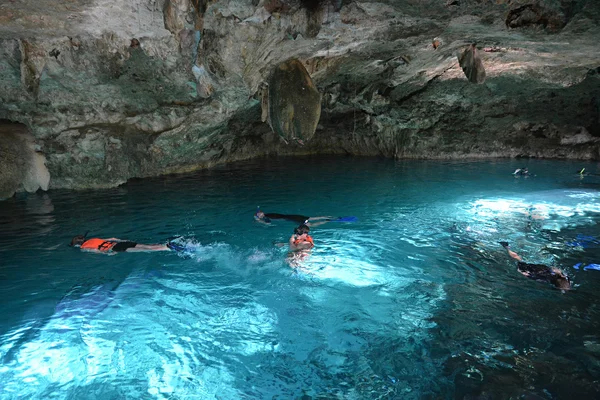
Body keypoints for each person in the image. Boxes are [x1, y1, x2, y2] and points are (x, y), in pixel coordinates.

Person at [499, 241, 571, 290]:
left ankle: (512, 246)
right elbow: (527, 274)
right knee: (517, 258)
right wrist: (520, 272)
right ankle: (507, 247)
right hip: (532, 269)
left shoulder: (564, 276)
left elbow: (556, 269)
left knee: (520, 258)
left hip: (541, 266)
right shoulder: (545, 280)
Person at [70, 234, 173, 253]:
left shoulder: (83, 248)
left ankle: (165, 248)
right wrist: (122, 240)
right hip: (120, 242)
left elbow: (96, 250)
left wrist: (109, 253)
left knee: (143, 250)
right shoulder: (94, 239)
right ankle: (165, 245)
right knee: (146, 246)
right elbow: (112, 238)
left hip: (116, 248)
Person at [254, 209, 332, 227]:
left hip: (293, 219)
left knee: (310, 225)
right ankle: (326, 217)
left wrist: (259, 221)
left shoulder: (266, 217)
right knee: (311, 218)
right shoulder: (268, 214)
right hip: (293, 216)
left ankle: (326, 221)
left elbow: (268, 224)